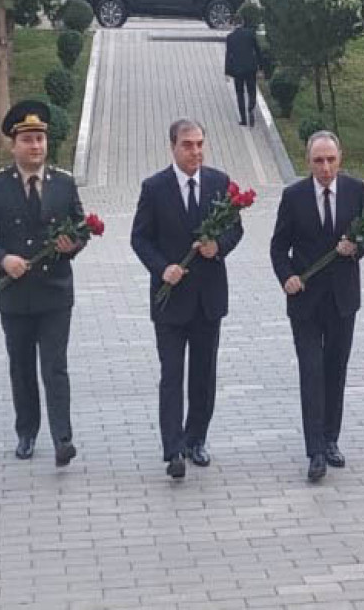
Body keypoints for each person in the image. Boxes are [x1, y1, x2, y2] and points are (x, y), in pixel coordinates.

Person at [0, 100, 84, 467]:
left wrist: (73, 245)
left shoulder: (63, 184)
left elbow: (80, 228)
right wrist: (2, 259)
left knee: (55, 366)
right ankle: (27, 432)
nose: (36, 147)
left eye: (40, 139)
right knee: (21, 367)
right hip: (15, 294)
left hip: (54, 293)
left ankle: (62, 437)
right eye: (28, 140)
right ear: (14, 145)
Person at [130, 119, 244, 479]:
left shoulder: (219, 182)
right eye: (187, 145)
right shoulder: (154, 188)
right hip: (170, 300)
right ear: (172, 147)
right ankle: (173, 448)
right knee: (172, 375)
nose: (195, 151)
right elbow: (140, 238)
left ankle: (197, 439)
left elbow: (235, 228)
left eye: (199, 144)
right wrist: (162, 269)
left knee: (203, 375)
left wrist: (218, 247)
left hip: (208, 298)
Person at [270, 131, 364, 482]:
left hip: (343, 299)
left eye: (331, 160)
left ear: (340, 158)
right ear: (308, 161)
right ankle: (314, 451)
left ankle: (331, 439)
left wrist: (356, 247)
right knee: (312, 373)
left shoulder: (355, 190)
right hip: (305, 301)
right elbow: (277, 246)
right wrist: (287, 277)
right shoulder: (293, 196)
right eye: (318, 161)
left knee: (335, 371)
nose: (326, 167)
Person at [224, 4, 271, 127]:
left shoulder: (230, 37)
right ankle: (251, 107)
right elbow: (258, 51)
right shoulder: (250, 34)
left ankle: (243, 120)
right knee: (251, 90)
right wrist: (261, 67)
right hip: (250, 68)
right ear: (243, 22)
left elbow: (228, 55)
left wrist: (227, 72)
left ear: (233, 24)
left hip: (237, 70)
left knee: (239, 93)